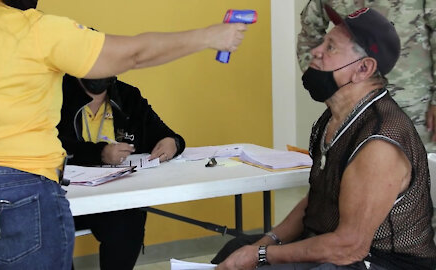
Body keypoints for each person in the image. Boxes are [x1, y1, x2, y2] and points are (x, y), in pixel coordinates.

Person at [0, 0, 247, 269]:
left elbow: (161, 129)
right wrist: (211, 36)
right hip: (19, 196)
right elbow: (134, 53)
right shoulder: (33, 28)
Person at [213, 5, 436, 270]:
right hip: (335, 247)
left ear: (363, 68)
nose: (316, 51)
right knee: (236, 249)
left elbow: (349, 247)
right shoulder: (334, 119)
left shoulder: (379, 143)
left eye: (330, 47)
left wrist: (261, 255)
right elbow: (317, 200)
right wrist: (264, 243)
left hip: (379, 262)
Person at [58, 74, 186, 270]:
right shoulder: (55, 93)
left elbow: (162, 133)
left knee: (130, 219)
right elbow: (51, 145)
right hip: (61, 198)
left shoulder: (127, 96)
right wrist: (99, 153)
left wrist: (173, 142)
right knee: (45, 229)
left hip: (112, 197)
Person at [297, 0, 436, 152]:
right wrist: (322, 83)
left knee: (418, 168)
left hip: (416, 110)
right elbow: (309, 32)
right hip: (353, 109)